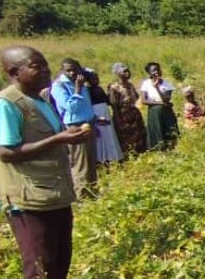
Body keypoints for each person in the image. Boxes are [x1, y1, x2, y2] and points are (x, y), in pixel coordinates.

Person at [0, 46, 85, 279]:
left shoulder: (38, 100)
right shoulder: (6, 105)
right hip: (27, 196)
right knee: (39, 257)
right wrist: (60, 139)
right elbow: (6, 151)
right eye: (35, 66)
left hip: (52, 191)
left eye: (44, 64)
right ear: (14, 72)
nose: (45, 70)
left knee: (60, 253)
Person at [50, 57, 98, 198]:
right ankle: (81, 195)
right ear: (62, 71)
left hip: (88, 123)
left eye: (75, 70)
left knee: (91, 161)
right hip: (75, 127)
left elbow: (92, 75)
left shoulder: (81, 80)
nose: (72, 73)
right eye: (68, 71)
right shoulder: (59, 86)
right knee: (80, 163)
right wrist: (77, 90)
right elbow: (72, 107)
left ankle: (92, 191)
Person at [84, 69, 122, 166]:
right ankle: (102, 158)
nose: (96, 80)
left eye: (97, 78)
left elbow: (108, 101)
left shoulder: (99, 88)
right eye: (93, 78)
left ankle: (112, 156)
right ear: (88, 80)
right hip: (97, 113)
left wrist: (110, 92)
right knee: (101, 136)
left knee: (109, 134)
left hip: (105, 112)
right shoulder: (87, 90)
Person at [107, 63, 147, 157]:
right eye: (124, 71)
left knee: (139, 136)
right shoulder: (114, 87)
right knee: (125, 137)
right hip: (122, 116)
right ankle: (128, 156)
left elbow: (136, 97)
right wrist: (118, 119)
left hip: (134, 113)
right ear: (117, 73)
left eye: (128, 71)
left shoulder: (130, 85)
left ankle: (140, 154)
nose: (127, 73)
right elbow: (114, 105)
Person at [139, 62, 179, 151]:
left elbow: (166, 99)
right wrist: (159, 103)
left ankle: (171, 150)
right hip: (154, 113)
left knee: (170, 132)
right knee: (157, 132)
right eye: (154, 70)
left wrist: (157, 87)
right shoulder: (146, 84)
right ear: (149, 73)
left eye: (158, 69)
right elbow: (144, 100)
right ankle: (159, 151)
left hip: (166, 112)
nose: (157, 72)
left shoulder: (167, 84)